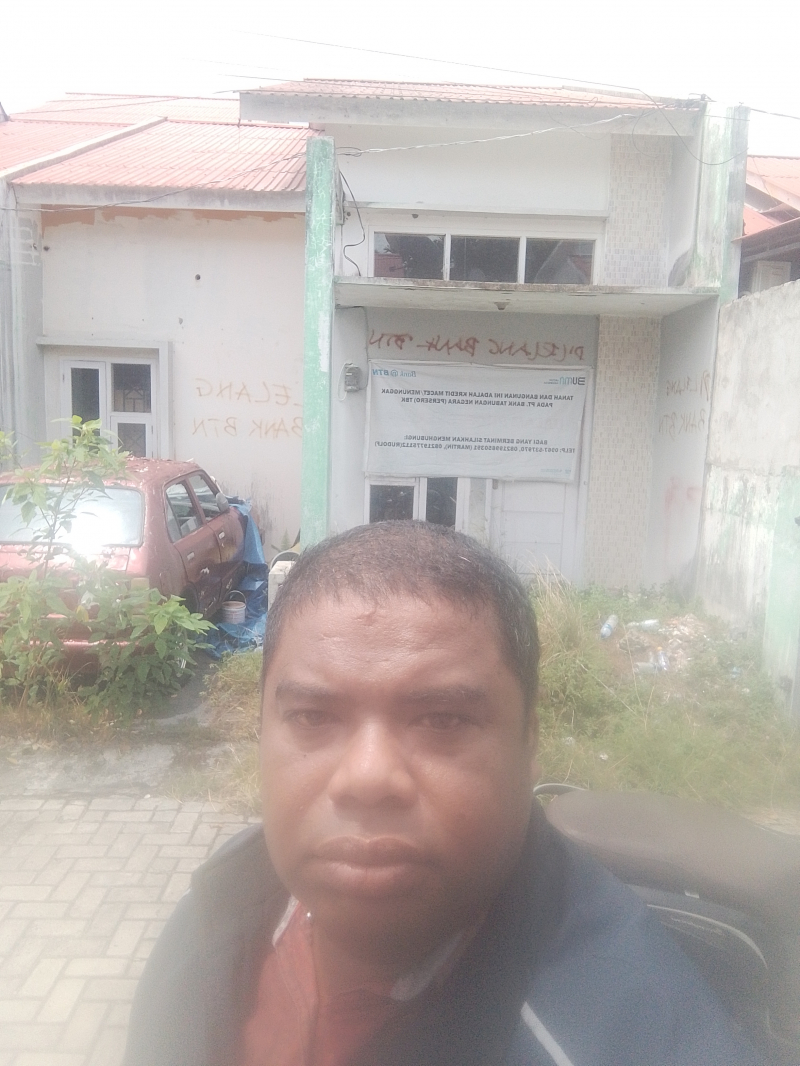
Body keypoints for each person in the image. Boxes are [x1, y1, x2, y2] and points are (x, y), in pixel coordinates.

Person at [124, 521, 760, 1066]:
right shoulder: (224, 900)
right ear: (262, 732)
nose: (368, 777)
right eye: (314, 717)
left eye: (444, 720)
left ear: (528, 742)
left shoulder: (626, 1035)